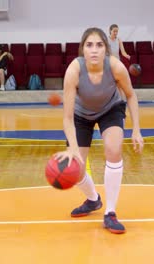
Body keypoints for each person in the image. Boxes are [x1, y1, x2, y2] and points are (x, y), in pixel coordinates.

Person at [54, 27, 144, 234]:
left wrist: (137, 130)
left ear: (106, 49)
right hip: (79, 115)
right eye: (89, 45)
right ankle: (94, 200)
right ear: (82, 50)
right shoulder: (73, 71)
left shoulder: (116, 67)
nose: (94, 50)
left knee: (113, 150)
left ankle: (110, 212)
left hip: (110, 109)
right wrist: (74, 149)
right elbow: (67, 118)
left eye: (99, 45)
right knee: (75, 169)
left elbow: (131, 95)